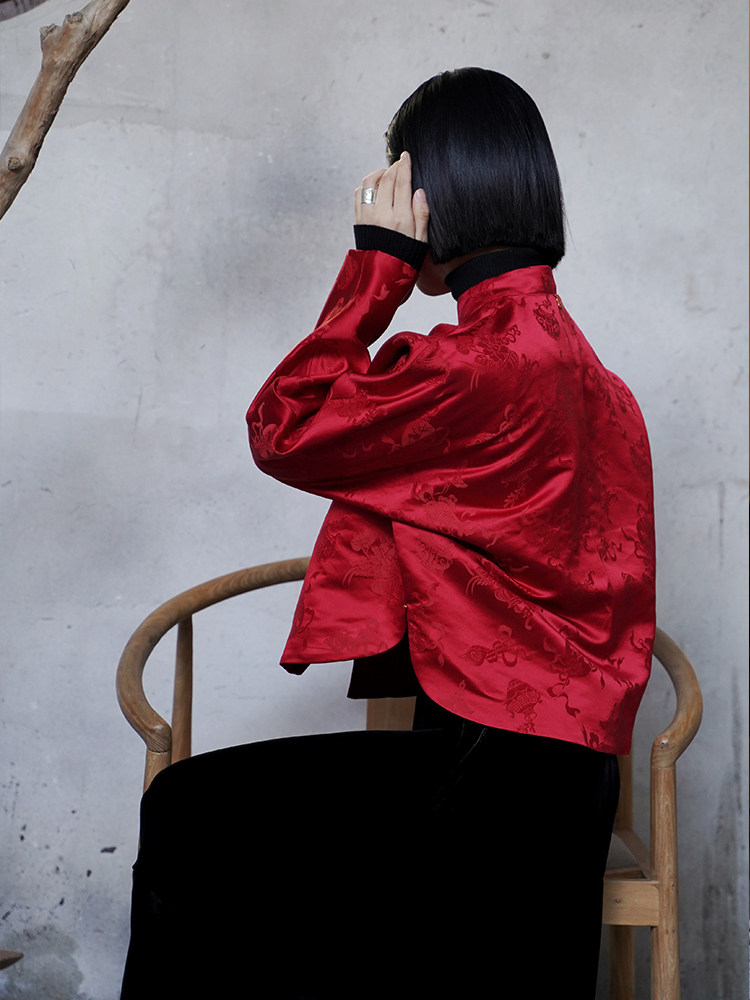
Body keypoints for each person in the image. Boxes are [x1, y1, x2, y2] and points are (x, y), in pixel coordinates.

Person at [121, 68, 655, 999]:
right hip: (561, 781)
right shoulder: (600, 381)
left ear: (436, 194)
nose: (389, 202)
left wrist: (375, 269)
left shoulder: (477, 364)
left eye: (399, 181)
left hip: (494, 781)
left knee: (186, 814)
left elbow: (282, 427)